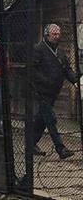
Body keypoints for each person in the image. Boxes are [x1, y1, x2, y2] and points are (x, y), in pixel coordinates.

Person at [29, 24, 77, 159]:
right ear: (47, 35)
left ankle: (31, 144)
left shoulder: (60, 52)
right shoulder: (39, 49)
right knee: (50, 119)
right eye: (54, 34)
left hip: (54, 91)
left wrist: (75, 81)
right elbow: (32, 70)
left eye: (58, 34)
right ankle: (60, 148)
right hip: (41, 91)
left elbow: (67, 69)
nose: (57, 36)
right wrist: (44, 81)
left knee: (42, 119)